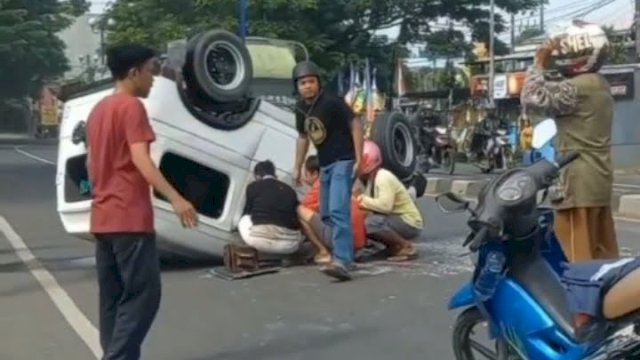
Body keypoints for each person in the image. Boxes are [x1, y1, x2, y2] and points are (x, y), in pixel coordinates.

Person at [86, 44, 198, 360]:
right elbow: (141, 159)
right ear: (134, 72)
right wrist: (176, 198)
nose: (154, 78)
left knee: (113, 298)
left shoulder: (98, 109)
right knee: (144, 296)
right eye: (151, 70)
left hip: (103, 217)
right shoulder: (131, 108)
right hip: (129, 219)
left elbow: (91, 165)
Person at [520, 20, 618, 262]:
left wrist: (539, 64)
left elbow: (531, 98)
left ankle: (577, 300)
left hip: (576, 182)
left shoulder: (577, 88)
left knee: (575, 257)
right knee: (601, 255)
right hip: (597, 178)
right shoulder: (598, 84)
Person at [292, 60, 364, 281]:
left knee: (338, 210)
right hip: (325, 164)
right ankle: (345, 251)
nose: (307, 86)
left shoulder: (332, 102)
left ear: (318, 83)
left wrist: (359, 158)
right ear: (297, 86)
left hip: (343, 160)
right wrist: (298, 166)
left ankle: (343, 260)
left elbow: (356, 124)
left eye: (311, 81)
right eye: (303, 83)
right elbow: (303, 137)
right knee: (325, 214)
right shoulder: (301, 108)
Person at [356, 140, 423, 261]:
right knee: (364, 221)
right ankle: (393, 247)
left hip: (408, 222)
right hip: (396, 218)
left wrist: (360, 199)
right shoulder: (372, 180)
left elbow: (384, 206)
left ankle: (406, 246)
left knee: (372, 223)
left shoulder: (383, 177)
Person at [297, 155, 367, 264]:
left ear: (315, 174)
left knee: (299, 211)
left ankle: (324, 251)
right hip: (359, 241)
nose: (303, 177)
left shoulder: (319, 186)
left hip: (345, 240)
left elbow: (304, 208)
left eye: (305, 173)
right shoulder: (338, 181)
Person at [238, 160, 303, 254]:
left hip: (259, 241)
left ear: (257, 176)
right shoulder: (290, 190)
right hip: (290, 246)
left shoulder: (253, 187)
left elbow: (247, 211)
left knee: (244, 219)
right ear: (274, 174)